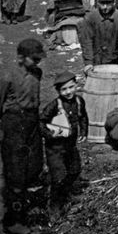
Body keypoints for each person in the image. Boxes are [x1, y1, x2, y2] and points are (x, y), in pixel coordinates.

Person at [0, 39, 46, 234]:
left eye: (39, 59)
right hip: (13, 124)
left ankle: (28, 207)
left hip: (31, 122)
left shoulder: (37, 73)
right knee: (16, 174)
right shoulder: (8, 76)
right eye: (34, 59)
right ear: (21, 58)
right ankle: (14, 221)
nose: (37, 63)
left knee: (35, 166)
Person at [39, 70, 88, 218]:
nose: (68, 92)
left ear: (76, 85)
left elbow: (83, 117)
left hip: (70, 146)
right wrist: (50, 134)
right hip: (55, 148)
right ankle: (55, 205)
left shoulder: (79, 101)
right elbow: (41, 122)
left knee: (74, 170)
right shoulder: (54, 106)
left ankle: (66, 194)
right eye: (63, 89)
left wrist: (84, 132)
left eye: (71, 87)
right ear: (58, 91)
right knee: (58, 177)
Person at [78, 0, 118, 74]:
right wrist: (88, 62)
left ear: (114, 3)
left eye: (108, 4)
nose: (105, 7)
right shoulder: (90, 18)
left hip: (115, 58)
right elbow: (86, 41)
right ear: (97, 3)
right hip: (96, 59)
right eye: (102, 3)